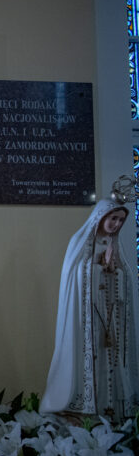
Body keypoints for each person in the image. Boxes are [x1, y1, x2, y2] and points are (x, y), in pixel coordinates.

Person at [40, 179, 139, 424]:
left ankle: (113, 409)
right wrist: (99, 267)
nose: (116, 225)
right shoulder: (80, 242)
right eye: (112, 219)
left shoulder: (115, 245)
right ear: (100, 217)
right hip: (88, 318)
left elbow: (126, 278)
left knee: (111, 360)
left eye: (120, 221)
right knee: (88, 360)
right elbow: (74, 277)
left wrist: (115, 269)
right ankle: (87, 408)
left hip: (111, 317)